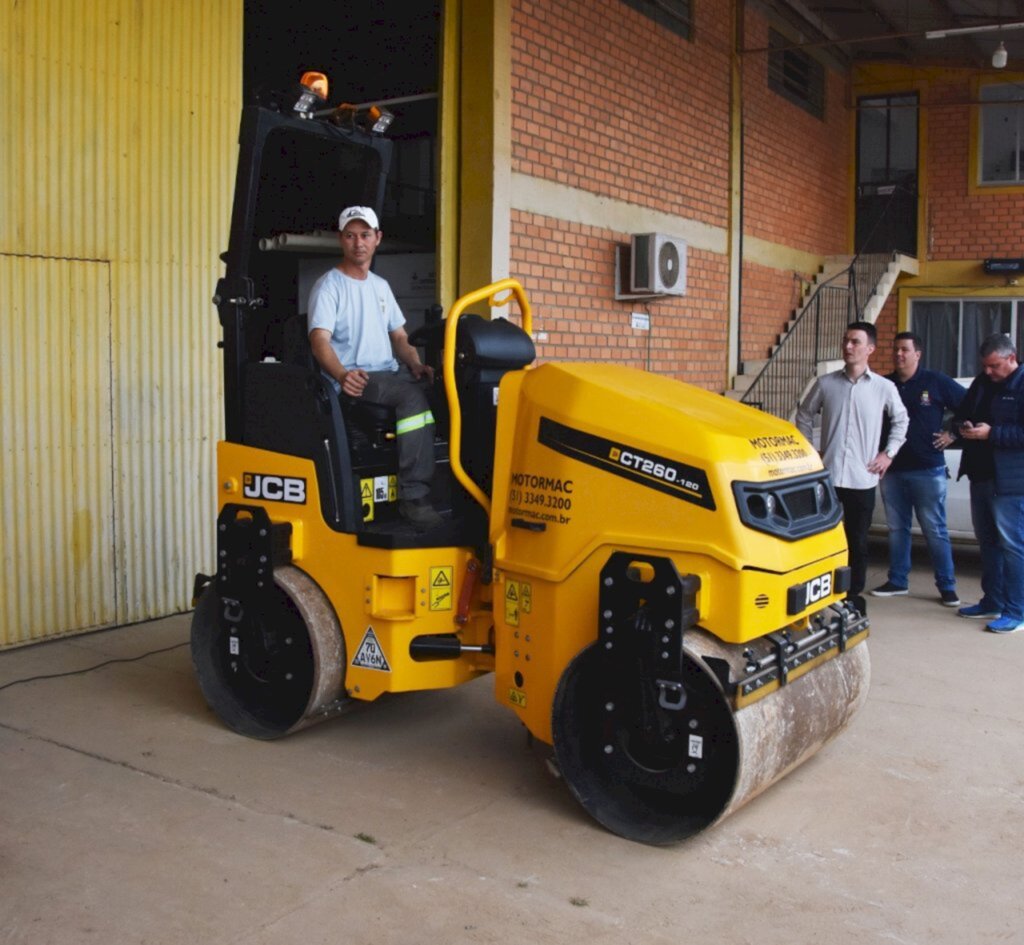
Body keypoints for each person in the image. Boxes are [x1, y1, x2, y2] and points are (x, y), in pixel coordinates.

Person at [308, 206, 442, 529]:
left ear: (377, 238)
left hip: (389, 373)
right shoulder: (329, 287)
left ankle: (443, 485)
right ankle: (413, 496)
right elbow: (319, 341)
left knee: (446, 389)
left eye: (365, 235)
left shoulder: (380, 287)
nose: (358, 243)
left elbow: (398, 335)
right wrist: (341, 375)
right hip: (358, 377)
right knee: (411, 400)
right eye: (351, 236)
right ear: (341, 240)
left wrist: (416, 363)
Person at [796, 321, 908, 612]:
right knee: (821, 537)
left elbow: (901, 421)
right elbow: (804, 414)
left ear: (870, 349)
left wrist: (888, 454)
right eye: (846, 341)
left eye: (855, 342)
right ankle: (821, 590)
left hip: (862, 478)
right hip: (827, 476)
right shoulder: (826, 383)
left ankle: (851, 593)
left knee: (857, 539)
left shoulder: (884, 388)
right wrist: (811, 452)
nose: (848, 347)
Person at [871, 332, 967, 606]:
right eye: (895, 349)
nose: (899, 354)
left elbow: (971, 405)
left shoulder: (935, 382)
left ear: (917, 354)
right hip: (892, 469)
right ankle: (898, 581)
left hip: (928, 469)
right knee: (896, 528)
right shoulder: (885, 384)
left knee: (935, 529)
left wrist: (954, 433)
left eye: (905, 349)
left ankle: (947, 586)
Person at [937, 333, 1024, 634]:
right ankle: (992, 601)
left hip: (1011, 482)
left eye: (994, 366)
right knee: (988, 543)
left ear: (1012, 358)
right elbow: (961, 415)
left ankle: (1017, 611)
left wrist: (992, 434)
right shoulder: (982, 383)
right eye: (985, 366)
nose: (989, 371)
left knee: (1013, 547)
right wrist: (963, 426)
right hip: (980, 474)